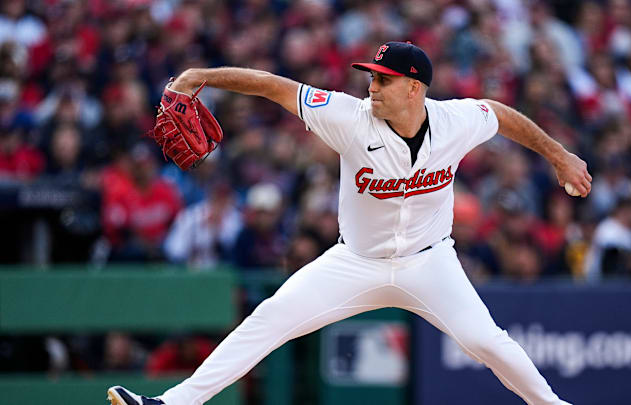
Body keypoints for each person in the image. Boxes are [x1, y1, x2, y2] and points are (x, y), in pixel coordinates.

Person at [107, 41, 591, 405]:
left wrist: (560, 155)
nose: (371, 86)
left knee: (488, 342)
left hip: (430, 263)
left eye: (382, 79)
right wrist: (201, 76)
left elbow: (501, 115)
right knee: (270, 318)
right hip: (355, 263)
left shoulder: (455, 121)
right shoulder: (348, 117)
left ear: (414, 88)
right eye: (371, 77)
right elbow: (274, 86)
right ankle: (171, 403)